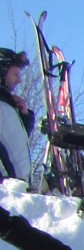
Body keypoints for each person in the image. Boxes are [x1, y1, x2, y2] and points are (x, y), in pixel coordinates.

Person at [0, 47, 33, 181]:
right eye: (16, 74)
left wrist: (25, 117)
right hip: (6, 188)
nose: (19, 80)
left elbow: (14, 146)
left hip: (18, 188)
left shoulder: (7, 105)